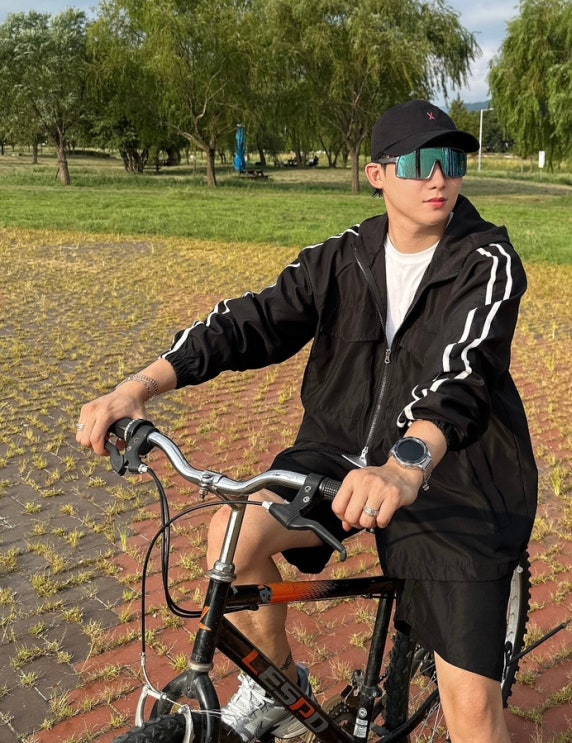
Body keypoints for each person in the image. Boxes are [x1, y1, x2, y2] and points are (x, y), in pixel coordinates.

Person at [77, 99, 538, 743]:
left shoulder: (486, 259)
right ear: (377, 175)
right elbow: (249, 322)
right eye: (419, 163)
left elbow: (465, 373)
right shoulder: (343, 257)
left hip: (451, 476)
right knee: (232, 535)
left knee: (473, 716)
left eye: (451, 161)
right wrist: (138, 386)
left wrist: (405, 466)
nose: (438, 178)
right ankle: (275, 689)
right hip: (340, 453)